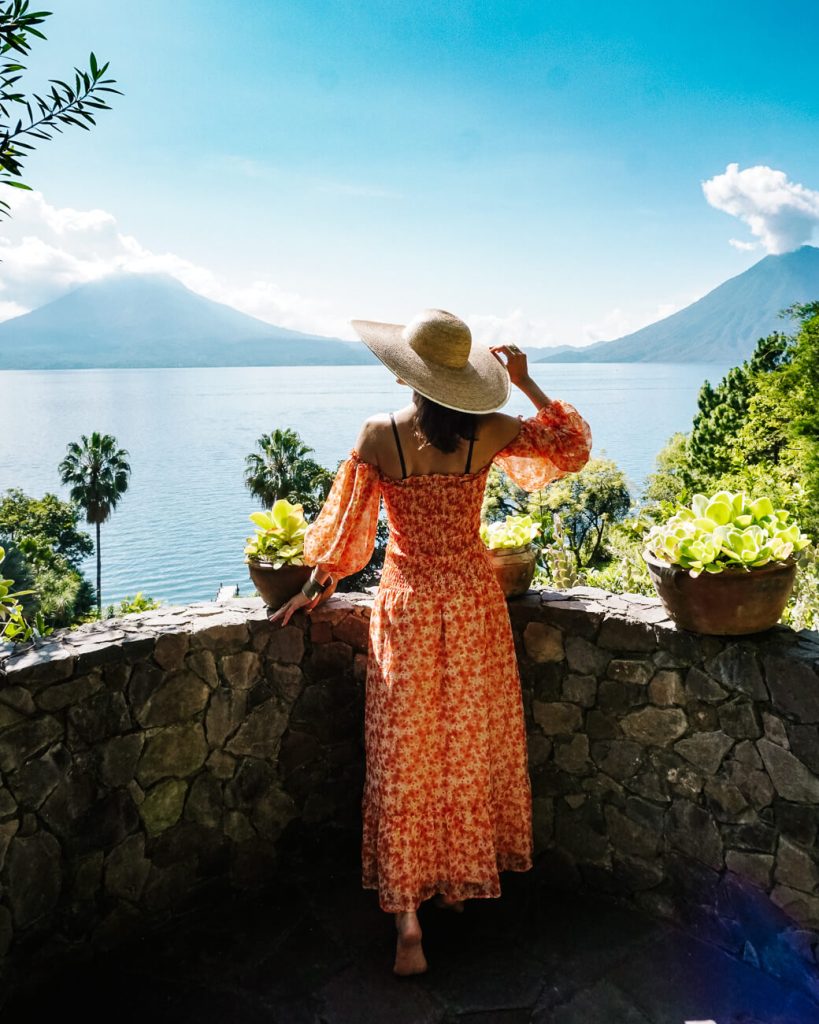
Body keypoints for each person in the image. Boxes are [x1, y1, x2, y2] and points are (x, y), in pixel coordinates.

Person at [270, 308, 592, 976]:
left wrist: (314, 586)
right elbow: (570, 448)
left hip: (407, 608)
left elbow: (345, 530)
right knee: (465, 745)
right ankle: (457, 880)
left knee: (405, 754)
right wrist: (528, 383)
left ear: (405, 373)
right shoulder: (492, 431)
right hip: (473, 604)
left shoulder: (379, 435)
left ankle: (408, 916)